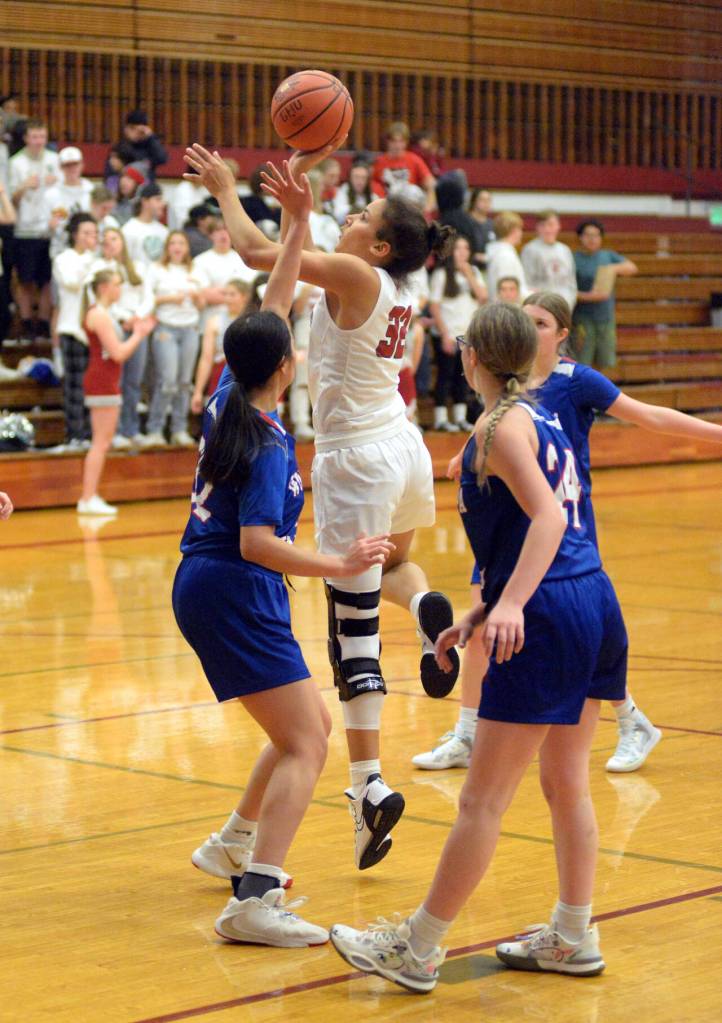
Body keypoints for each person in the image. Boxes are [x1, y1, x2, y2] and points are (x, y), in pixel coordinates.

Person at [329, 301, 628, 989]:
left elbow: (548, 519)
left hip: (549, 610)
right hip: (592, 599)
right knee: (565, 781)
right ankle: (573, 933)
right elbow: (528, 532)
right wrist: (483, 610)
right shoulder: (539, 414)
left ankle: (418, 948)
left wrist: (512, 603)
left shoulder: (498, 430)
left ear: (471, 356)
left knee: (481, 800)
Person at [185, 141, 460, 873]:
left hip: (355, 455)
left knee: (352, 627)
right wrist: (297, 206)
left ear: (378, 245)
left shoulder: (350, 275)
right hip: (403, 441)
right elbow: (281, 278)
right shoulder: (392, 284)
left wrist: (231, 191)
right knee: (391, 568)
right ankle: (424, 604)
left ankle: (367, 783)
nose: (351, 215)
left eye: (362, 214)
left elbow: (260, 261)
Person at [173, 163, 393, 946]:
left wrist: (295, 221)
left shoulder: (228, 394)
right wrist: (340, 563)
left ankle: (233, 843)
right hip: (234, 582)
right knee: (308, 741)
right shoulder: (266, 443)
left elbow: (273, 302)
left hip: (215, 584)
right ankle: (254, 900)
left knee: (300, 727)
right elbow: (258, 542)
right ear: (287, 367)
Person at [416, 290, 722, 775]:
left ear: (561, 333)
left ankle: (628, 716)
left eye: (541, 323)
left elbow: (650, 416)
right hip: (508, 523)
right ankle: (468, 732)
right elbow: (497, 439)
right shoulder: (506, 397)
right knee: (486, 625)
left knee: (568, 637)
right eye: (525, 322)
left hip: (561, 526)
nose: (530, 329)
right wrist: (466, 455)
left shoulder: (575, 381)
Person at [77, 270, 147, 515]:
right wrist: (138, 335)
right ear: (104, 287)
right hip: (102, 381)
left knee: (102, 442)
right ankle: (88, 497)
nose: (120, 289)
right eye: (117, 284)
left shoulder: (103, 313)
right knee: (101, 443)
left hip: (105, 380)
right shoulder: (99, 314)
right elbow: (118, 353)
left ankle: (90, 496)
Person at [86, 226, 155, 448]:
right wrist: (124, 318)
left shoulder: (138, 267)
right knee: (116, 379)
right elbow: (98, 300)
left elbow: (149, 297)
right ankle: (113, 431)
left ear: (123, 241)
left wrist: (137, 316)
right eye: (105, 240)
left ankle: (130, 428)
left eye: (114, 238)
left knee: (134, 381)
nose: (110, 243)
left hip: (136, 324)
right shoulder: (98, 267)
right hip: (115, 324)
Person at [144, 231, 204, 447]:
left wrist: (197, 298)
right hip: (165, 327)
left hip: (190, 328)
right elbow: (147, 299)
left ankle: (179, 428)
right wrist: (170, 298)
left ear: (187, 248)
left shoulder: (195, 269)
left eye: (181, 243)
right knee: (167, 379)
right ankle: (155, 429)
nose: (177, 247)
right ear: (167, 247)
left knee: (185, 381)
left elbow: (202, 304)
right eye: (173, 243)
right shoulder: (156, 269)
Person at [8, 118, 61, 339]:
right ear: (26, 138)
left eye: (42, 137)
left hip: (48, 228)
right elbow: (10, 199)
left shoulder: (54, 159)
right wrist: (24, 186)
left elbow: (62, 191)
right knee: (25, 279)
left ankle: (45, 323)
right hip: (25, 229)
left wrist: (55, 183)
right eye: (34, 137)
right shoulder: (16, 162)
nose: (38, 141)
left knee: (47, 279)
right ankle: (27, 321)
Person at [429, 235, 486, 432]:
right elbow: (434, 306)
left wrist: (468, 274)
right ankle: (440, 418)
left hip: (467, 336)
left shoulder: (474, 272)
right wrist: (444, 334)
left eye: (466, 248)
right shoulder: (441, 274)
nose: (463, 253)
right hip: (447, 334)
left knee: (462, 377)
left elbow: (483, 297)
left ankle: (460, 418)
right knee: (444, 376)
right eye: (458, 248)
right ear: (451, 251)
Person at [53, 213, 99, 450]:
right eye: (86, 233)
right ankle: (74, 434)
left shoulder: (99, 261)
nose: (92, 237)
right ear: (75, 235)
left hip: (95, 330)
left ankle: (91, 434)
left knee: (93, 385)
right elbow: (71, 281)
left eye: (94, 233)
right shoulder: (64, 259)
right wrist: (90, 261)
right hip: (72, 328)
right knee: (74, 386)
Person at [573, 219, 637, 369]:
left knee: (605, 360)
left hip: (605, 317)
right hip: (583, 318)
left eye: (596, 235)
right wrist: (587, 296)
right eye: (588, 235)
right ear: (580, 237)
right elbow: (568, 289)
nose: (592, 239)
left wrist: (614, 269)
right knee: (582, 362)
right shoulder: (574, 258)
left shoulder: (608, 256)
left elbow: (632, 267)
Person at [191, 279, 252, 413]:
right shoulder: (214, 321)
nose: (227, 299)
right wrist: (198, 392)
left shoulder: (254, 321)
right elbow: (206, 358)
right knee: (218, 418)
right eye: (225, 294)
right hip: (221, 373)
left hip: (247, 377)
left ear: (245, 297)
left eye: (232, 295)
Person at [372, 122, 436, 212]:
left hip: (408, 208)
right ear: (388, 142)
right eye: (394, 141)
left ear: (406, 142)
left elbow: (431, 184)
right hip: (386, 208)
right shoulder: (379, 161)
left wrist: (428, 208)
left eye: (401, 141)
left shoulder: (414, 160)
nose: (397, 145)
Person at [44, 146, 93, 261]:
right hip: (60, 251)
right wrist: (49, 227)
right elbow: (43, 229)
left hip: (88, 250)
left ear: (82, 165)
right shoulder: (51, 194)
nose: (72, 169)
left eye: (75, 164)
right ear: (61, 167)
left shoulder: (91, 191)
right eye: (67, 165)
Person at [521, 210, 577, 311]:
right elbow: (527, 283)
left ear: (558, 226)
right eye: (542, 225)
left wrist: (569, 304)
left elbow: (571, 282)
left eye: (551, 225)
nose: (547, 229)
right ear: (537, 227)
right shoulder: (530, 250)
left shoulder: (565, 250)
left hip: (564, 305)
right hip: (541, 306)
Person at [105, 110, 168, 182]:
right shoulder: (118, 149)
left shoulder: (149, 148)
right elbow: (110, 178)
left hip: (146, 186)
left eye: (140, 131)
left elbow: (162, 158)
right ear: (126, 129)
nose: (136, 132)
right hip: (123, 186)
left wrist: (151, 137)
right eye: (132, 128)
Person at [485, 211, 530, 302]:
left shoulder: (502, 253)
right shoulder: (505, 257)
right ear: (513, 231)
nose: (521, 233)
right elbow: (508, 292)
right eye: (519, 229)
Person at [121, 182, 168, 268]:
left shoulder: (164, 231)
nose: (163, 204)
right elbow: (124, 263)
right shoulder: (128, 230)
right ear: (145, 201)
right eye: (158, 199)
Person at [331, 157, 383, 225]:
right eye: (356, 177)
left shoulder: (373, 196)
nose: (359, 181)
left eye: (363, 178)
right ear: (350, 178)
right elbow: (337, 214)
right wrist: (356, 209)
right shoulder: (342, 192)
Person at [467, 187, 495, 269]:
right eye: (482, 200)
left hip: (488, 267)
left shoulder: (492, 224)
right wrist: (474, 256)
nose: (486, 203)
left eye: (489, 200)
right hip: (470, 266)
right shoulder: (465, 222)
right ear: (474, 201)